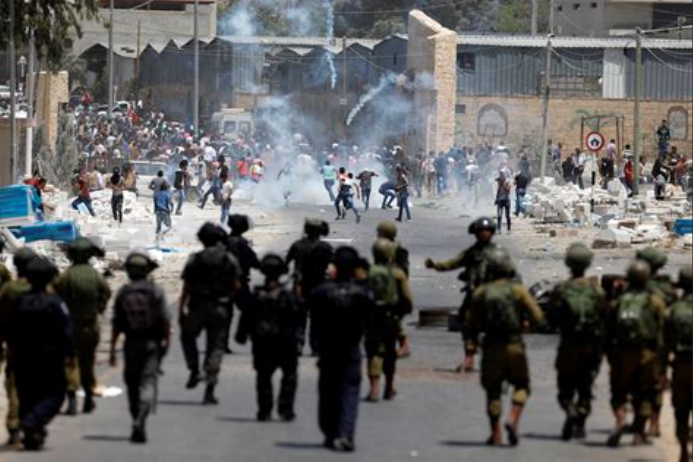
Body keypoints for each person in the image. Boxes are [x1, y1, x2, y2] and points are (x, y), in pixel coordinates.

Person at [467, 247, 544, 446]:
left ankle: (496, 433)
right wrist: (525, 325)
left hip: (491, 347)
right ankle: (513, 418)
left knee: (493, 392)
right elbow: (538, 317)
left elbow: (471, 325)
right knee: (522, 385)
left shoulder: (482, 292)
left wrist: (471, 348)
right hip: (514, 346)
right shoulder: (518, 291)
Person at [308, 247, 374, 452]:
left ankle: (330, 432)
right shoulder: (363, 293)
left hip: (328, 348)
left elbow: (315, 322)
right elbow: (370, 321)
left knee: (328, 390)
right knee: (349, 391)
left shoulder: (321, 291)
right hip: (351, 348)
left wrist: (316, 345)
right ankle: (345, 434)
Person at [5, 257, 73, 450]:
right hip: (49, 358)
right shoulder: (55, 303)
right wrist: (69, 353)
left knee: (27, 395)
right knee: (56, 395)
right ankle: (31, 423)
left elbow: (9, 328)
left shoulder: (18, 301)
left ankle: (32, 432)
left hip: (22, 356)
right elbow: (66, 331)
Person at [236, 254, 306, 421]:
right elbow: (300, 318)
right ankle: (285, 409)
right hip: (286, 342)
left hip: (263, 343)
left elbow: (246, 318)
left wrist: (242, 335)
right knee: (289, 375)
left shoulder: (255, 296)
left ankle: (265, 410)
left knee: (263, 376)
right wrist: (300, 339)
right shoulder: (290, 297)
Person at [110, 252, 170, 444]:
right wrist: (166, 341)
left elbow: (116, 323)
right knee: (148, 381)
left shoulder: (123, 293)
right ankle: (141, 418)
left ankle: (136, 418)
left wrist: (112, 349)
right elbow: (165, 320)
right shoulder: (156, 291)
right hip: (151, 343)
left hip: (130, 343)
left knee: (132, 384)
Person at [548, 243, 606, 440]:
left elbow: (552, 317)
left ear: (568, 263)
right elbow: (604, 317)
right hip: (590, 346)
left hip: (568, 345)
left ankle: (569, 409)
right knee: (585, 386)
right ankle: (581, 422)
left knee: (565, 387)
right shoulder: (596, 291)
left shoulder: (561, 289)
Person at [425, 217, 499, 373]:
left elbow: (511, 274)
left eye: (487, 231)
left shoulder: (499, 254)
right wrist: (435, 265)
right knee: (466, 323)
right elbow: (453, 263)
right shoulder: (472, 253)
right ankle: (469, 358)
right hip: (474, 295)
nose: (484, 234)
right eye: (481, 231)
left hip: (494, 294)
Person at [605, 261, 666, 447]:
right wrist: (661, 362)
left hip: (622, 353)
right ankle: (639, 433)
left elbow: (608, 333)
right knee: (645, 393)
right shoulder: (655, 301)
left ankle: (621, 418)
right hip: (646, 355)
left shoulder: (618, 302)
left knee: (618, 391)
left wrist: (611, 357)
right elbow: (662, 332)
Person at [179, 223, 241, 404]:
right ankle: (209, 389)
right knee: (216, 347)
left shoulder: (195, 259)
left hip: (197, 306)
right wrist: (227, 298)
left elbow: (186, 287)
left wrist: (181, 309)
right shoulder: (228, 258)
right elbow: (236, 285)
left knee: (187, 336)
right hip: (219, 307)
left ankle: (194, 369)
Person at [54, 238, 111, 415]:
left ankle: (72, 397)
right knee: (88, 361)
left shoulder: (66, 276)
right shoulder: (95, 275)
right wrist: (99, 308)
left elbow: (56, 296)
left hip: (70, 324)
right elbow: (106, 293)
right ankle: (88, 397)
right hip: (90, 324)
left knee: (71, 361)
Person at [636, 246, 677, 437]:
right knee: (657, 383)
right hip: (660, 345)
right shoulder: (666, 289)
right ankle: (655, 422)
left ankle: (639, 424)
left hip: (637, 344)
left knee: (637, 383)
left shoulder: (635, 286)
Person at [365, 239, 412, 402]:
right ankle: (389, 387)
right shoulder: (397, 274)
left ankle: (374, 387)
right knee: (389, 353)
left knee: (374, 352)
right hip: (390, 318)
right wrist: (401, 315)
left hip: (372, 318)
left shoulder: (367, 272)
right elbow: (407, 300)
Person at [0, 248, 36, 447]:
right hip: (39, 346)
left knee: (14, 387)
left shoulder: (9, 289)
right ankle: (32, 425)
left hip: (15, 345)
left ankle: (14, 426)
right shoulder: (42, 287)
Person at [664, 266, 692, 462]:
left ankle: (683, 447)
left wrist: (661, 370)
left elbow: (665, 343)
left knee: (681, 410)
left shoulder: (674, 310)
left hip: (681, 365)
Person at [225, 214, 261, 354]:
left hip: (224, 283)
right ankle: (253, 338)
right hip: (240, 283)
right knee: (250, 310)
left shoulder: (223, 241)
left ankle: (223, 342)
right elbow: (254, 261)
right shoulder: (242, 243)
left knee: (226, 313)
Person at [376, 221, 411, 357]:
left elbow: (403, 270)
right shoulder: (381, 246)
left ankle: (402, 344)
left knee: (391, 317)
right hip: (386, 283)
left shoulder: (397, 250)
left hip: (393, 285)